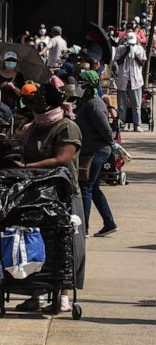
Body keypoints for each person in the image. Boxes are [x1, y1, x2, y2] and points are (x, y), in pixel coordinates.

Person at [14, 83, 85, 313]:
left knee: (65, 244)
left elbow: (62, 158)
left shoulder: (67, 127)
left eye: (40, 102)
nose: (36, 106)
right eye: (33, 102)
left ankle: (63, 294)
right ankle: (35, 293)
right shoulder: (32, 127)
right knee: (35, 243)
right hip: (35, 195)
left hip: (63, 194)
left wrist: (28, 167)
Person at [75, 69, 118, 237]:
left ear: (86, 86)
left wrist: (113, 144)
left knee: (86, 187)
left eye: (81, 83)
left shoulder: (94, 103)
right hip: (90, 150)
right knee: (93, 188)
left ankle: (83, 229)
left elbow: (105, 129)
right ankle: (109, 222)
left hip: (98, 151)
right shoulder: (86, 102)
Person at [115, 32, 147, 132]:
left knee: (136, 104)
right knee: (121, 105)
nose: (131, 45)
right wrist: (126, 52)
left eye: (132, 44)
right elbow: (118, 62)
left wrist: (134, 55)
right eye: (129, 44)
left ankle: (137, 124)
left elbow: (142, 63)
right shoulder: (120, 49)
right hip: (123, 80)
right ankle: (122, 123)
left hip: (136, 80)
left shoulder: (140, 49)